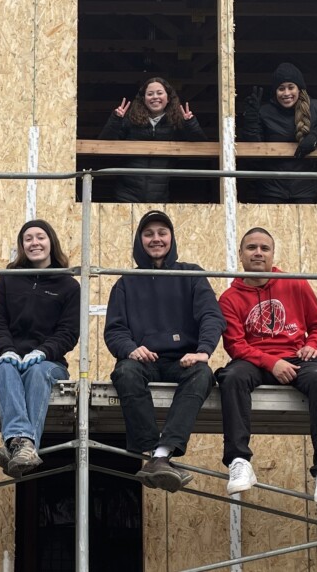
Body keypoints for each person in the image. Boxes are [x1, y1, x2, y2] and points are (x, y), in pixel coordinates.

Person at [216, 227, 317, 505]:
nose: (258, 253)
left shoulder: (295, 284)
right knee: (232, 377)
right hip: (254, 360)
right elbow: (235, 345)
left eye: (264, 248)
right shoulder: (229, 298)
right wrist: (272, 363)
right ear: (240, 254)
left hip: (299, 356)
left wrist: (314, 345)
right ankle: (238, 460)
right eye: (251, 248)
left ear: (273, 254)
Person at [104, 210, 225, 492]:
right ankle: (151, 452)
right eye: (148, 234)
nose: (156, 239)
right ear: (139, 240)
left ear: (171, 238)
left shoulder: (192, 275)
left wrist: (203, 351)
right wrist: (131, 349)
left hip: (183, 360)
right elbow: (114, 330)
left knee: (203, 374)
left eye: (162, 233)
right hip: (144, 360)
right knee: (124, 372)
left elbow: (212, 316)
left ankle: (162, 454)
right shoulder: (125, 284)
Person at [0, 220, 80, 478]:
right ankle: (25, 446)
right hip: (8, 357)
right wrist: (6, 349)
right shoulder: (8, 280)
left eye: (40, 237)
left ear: (51, 242)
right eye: (28, 238)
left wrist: (43, 351)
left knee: (38, 372)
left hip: (49, 362)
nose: (34, 243)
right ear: (22, 245)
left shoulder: (68, 286)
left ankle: (14, 444)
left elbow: (68, 332)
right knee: (4, 369)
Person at [238, 63, 317, 203]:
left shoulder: (316, 107)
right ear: (275, 91)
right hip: (271, 188)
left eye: (291, 87)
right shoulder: (265, 112)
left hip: (304, 187)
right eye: (281, 89)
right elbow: (253, 150)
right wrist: (251, 119)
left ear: (299, 89)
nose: (286, 93)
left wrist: (316, 136)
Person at [98, 76, 206, 202]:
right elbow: (104, 142)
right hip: (126, 194)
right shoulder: (130, 120)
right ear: (144, 99)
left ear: (168, 98)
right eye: (150, 94)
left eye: (159, 93)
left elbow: (200, 143)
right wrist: (116, 119)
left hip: (160, 195)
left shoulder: (176, 122)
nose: (155, 97)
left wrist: (190, 123)